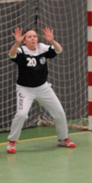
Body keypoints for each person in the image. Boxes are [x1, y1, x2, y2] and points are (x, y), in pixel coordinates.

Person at [6, 26, 76, 154]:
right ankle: (12, 141)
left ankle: (63, 139)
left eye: (34, 36)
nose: (33, 39)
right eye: (29, 37)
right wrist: (16, 43)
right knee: (22, 114)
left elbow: (59, 50)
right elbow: (12, 55)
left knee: (59, 112)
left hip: (43, 88)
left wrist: (52, 41)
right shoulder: (21, 50)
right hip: (25, 89)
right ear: (24, 40)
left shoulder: (42, 48)